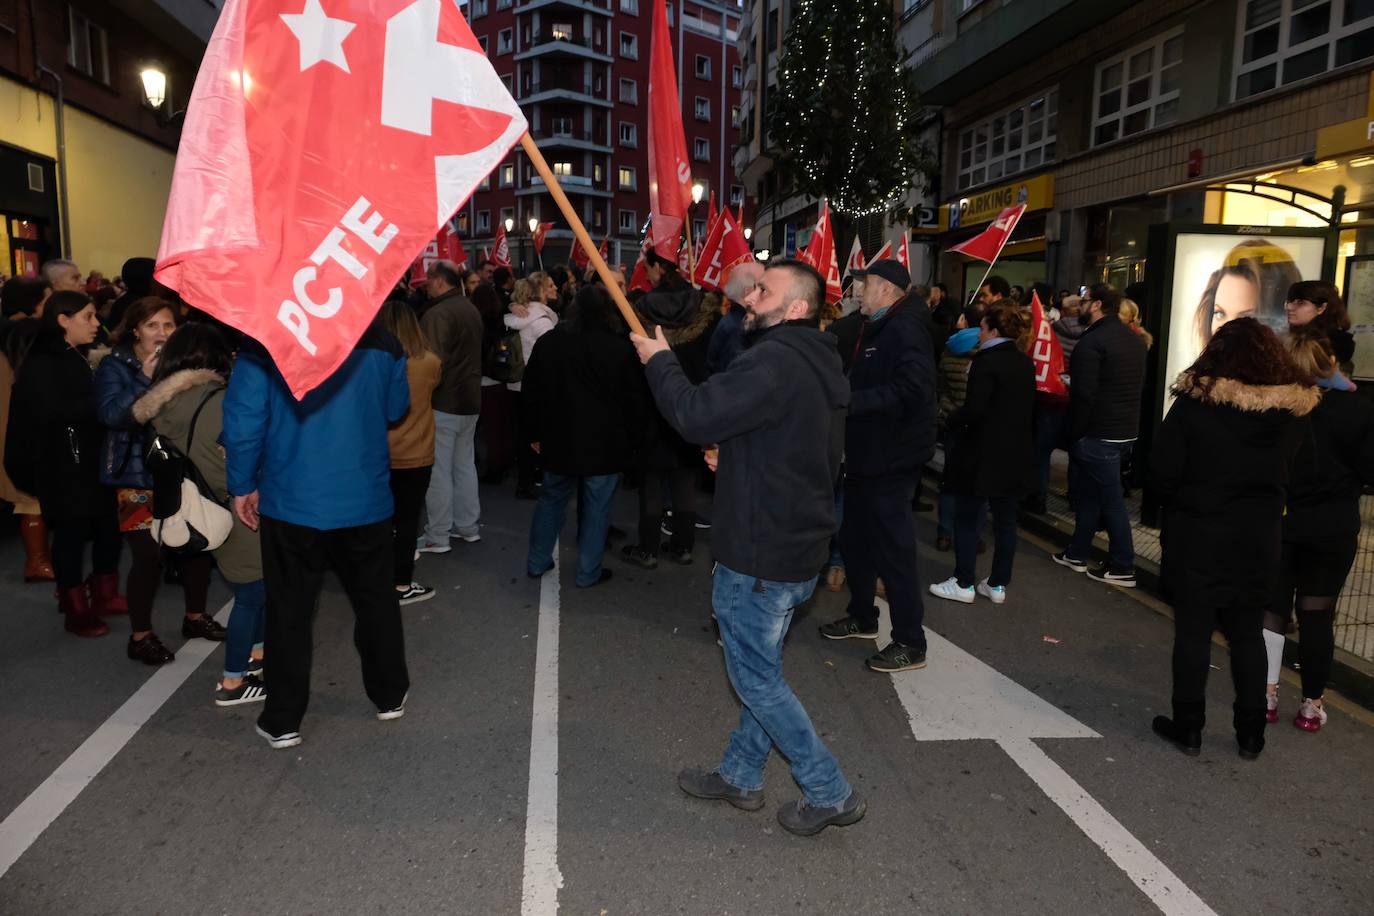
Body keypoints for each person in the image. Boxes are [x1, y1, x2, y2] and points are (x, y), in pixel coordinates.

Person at [630, 258, 865, 836]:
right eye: (753, 288)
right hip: (797, 544)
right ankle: (741, 775)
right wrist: (734, 456)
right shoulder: (817, 360)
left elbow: (693, 414)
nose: (750, 298)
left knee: (756, 680)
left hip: (762, 553)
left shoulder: (773, 360)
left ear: (798, 308)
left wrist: (660, 362)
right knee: (761, 670)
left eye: (764, 291)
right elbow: (797, 445)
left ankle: (828, 791)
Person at [223, 322, 412, 750]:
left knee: (289, 612)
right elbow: (395, 407)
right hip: (363, 496)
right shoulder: (381, 338)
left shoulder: (266, 335)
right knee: (376, 601)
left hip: (292, 499)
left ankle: (283, 719)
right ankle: (389, 694)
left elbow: (244, 420)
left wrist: (242, 484)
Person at [1149, 318, 1316, 761]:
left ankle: (1188, 726)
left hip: (1198, 533)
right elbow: (1300, 475)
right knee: (1247, 633)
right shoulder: (1293, 414)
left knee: (1193, 632)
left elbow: (1162, 472)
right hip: (1258, 537)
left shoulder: (1195, 403)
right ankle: (1251, 733)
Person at [134, 323, 266, 705]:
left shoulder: (164, 403)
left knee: (253, 592)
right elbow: (236, 463)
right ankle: (234, 681)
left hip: (201, 509)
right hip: (237, 509)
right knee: (253, 595)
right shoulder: (219, 402)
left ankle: (258, 656)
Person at [816, 258, 938, 675]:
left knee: (893, 550)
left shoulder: (906, 329)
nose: (857, 293)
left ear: (886, 289)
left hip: (891, 457)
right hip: (868, 455)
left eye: (863, 285)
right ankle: (863, 616)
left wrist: (851, 401)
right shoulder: (880, 325)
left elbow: (912, 390)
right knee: (854, 541)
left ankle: (910, 642)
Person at [94, 297, 222, 664]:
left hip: (181, 470)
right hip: (135, 475)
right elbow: (110, 415)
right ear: (135, 329)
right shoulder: (115, 365)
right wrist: (144, 379)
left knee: (198, 544)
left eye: (168, 325)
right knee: (147, 557)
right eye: (152, 325)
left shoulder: (182, 361)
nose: (161, 333)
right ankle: (141, 637)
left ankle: (195, 617)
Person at [1264, 327, 1374, 732]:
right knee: (1317, 615)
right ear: (1329, 365)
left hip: (1279, 523)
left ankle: (1266, 694)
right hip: (1332, 526)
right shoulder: (1357, 408)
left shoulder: (1274, 406)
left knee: (1271, 611)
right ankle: (1311, 706)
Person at [4, 291, 124, 637]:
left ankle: (103, 594)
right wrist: (106, 403)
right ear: (63, 320)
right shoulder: (44, 362)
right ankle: (75, 607)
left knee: (107, 529)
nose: (96, 323)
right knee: (71, 536)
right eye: (88, 316)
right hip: (63, 468)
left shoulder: (72, 355)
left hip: (85, 462)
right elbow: (52, 416)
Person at [523, 285, 643, 587]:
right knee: (597, 509)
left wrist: (533, 431)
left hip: (559, 437)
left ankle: (537, 560)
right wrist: (633, 440)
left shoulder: (550, 342)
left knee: (551, 500)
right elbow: (634, 399)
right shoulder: (618, 347)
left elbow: (532, 389)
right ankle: (588, 571)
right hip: (604, 442)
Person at [929, 300, 1036, 605]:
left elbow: (975, 409)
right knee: (1005, 522)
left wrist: (951, 418)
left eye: (983, 327)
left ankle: (963, 581)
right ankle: (998, 584)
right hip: (1014, 453)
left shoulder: (986, 362)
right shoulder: (1025, 362)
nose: (978, 333)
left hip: (981, 452)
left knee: (966, 517)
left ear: (994, 330)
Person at [621, 250, 718, 569]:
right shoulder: (704, 310)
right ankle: (683, 545)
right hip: (691, 403)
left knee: (651, 482)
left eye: (647, 267)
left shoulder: (638, 313)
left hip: (651, 407)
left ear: (658, 268)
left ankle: (648, 549)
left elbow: (631, 368)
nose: (646, 273)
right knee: (685, 479)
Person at [1052, 283, 1147, 588]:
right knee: (1091, 495)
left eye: (1084, 301)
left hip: (1098, 432)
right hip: (1124, 430)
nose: (1079, 305)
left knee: (1110, 500)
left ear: (1096, 305)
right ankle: (1077, 552)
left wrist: (1075, 435)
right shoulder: (1132, 339)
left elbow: (1084, 394)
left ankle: (1123, 565)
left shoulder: (1092, 342)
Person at [378, 302, 442, 606]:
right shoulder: (428, 362)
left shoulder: (372, 363)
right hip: (416, 451)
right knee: (407, 521)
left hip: (378, 451)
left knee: (378, 519)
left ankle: (376, 577)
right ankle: (401, 583)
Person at [418, 260, 484, 552]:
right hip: (470, 398)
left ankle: (438, 534)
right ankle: (467, 526)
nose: (425, 285)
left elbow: (431, 361)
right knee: (463, 465)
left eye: (428, 279)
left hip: (444, 400)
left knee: (439, 469)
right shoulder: (470, 308)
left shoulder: (437, 314)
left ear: (438, 280)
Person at [1, 317, 53, 581]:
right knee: (31, 501)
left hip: (15, 442)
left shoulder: (14, 362)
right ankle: (37, 562)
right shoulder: (21, 368)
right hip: (18, 444)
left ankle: (38, 561)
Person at [507, 272, 559, 498]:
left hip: (517, 382)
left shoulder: (517, 316)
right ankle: (531, 479)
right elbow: (551, 356)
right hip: (537, 385)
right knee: (536, 434)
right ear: (540, 291)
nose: (556, 288)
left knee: (524, 433)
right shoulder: (542, 322)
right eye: (551, 286)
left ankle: (525, 479)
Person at [935, 303, 983, 551]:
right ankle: (973, 534)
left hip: (954, 420)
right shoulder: (985, 350)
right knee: (977, 482)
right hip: (978, 424)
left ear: (964, 319)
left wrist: (948, 408)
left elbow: (941, 386)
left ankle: (944, 533)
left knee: (950, 479)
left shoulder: (950, 347)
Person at [1285, 280, 1355, 377]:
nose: (1289, 307)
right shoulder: (1288, 337)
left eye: (1300, 302)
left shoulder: (1337, 343)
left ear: (1321, 307)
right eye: (1289, 301)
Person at [705, 261, 762, 375]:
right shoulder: (738, 329)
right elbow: (733, 375)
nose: (763, 294)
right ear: (748, 291)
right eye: (761, 288)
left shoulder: (733, 320)